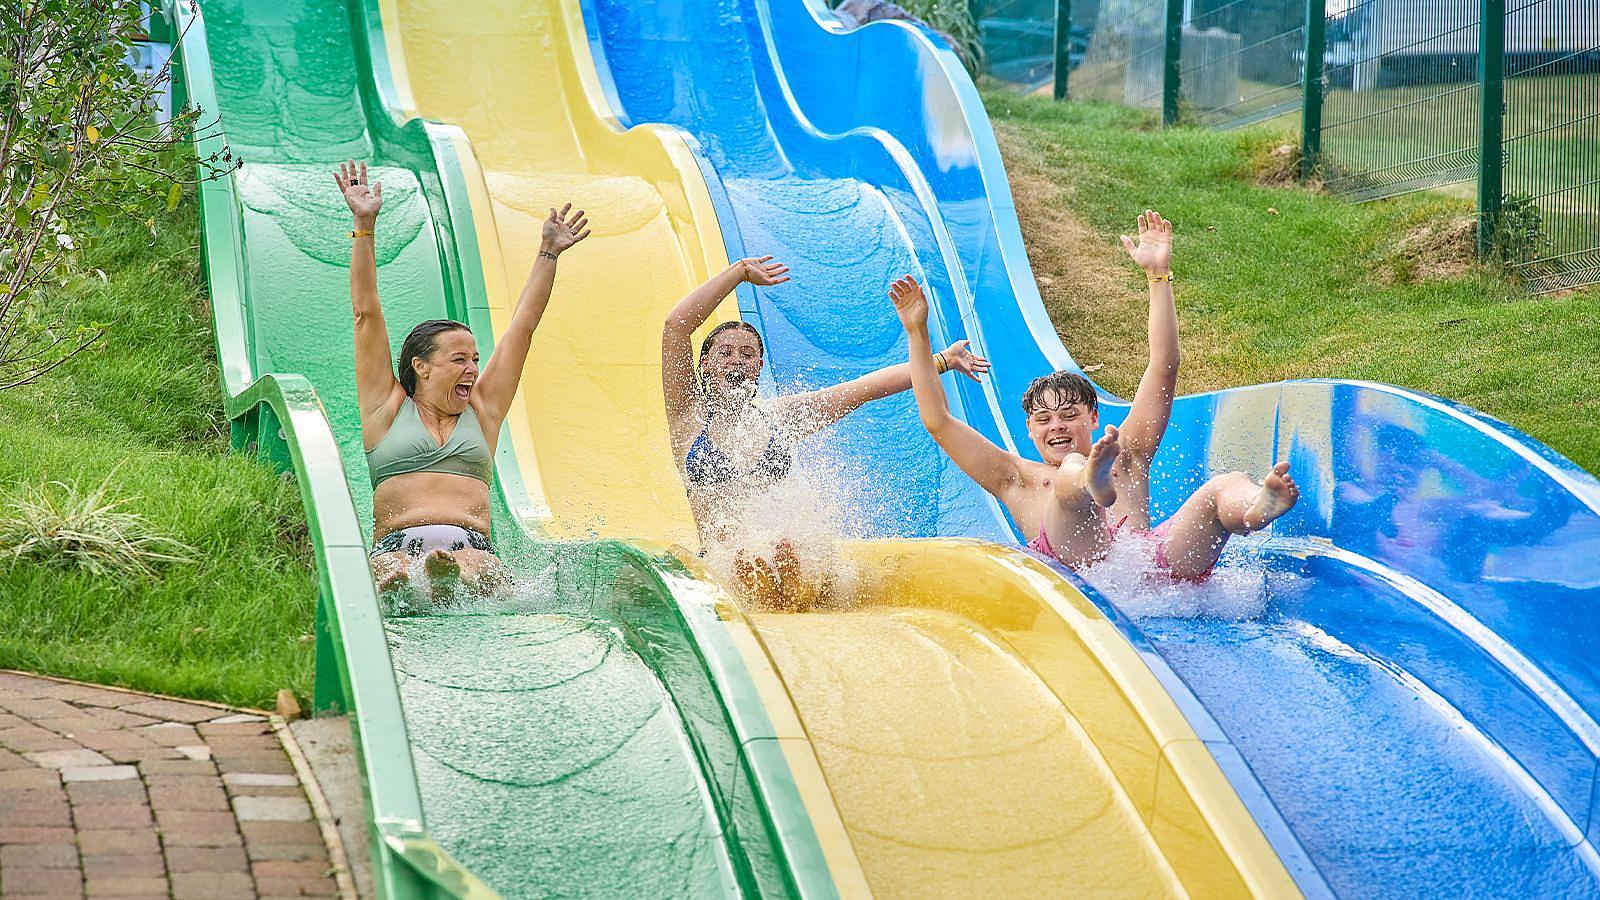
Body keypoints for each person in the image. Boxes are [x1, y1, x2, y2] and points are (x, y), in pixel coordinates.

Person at [889, 210, 1298, 581]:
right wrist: (917, 333)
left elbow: (1164, 365)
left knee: (1224, 485)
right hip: (1079, 577)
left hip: (1150, 568)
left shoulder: (1129, 451)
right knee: (1070, 470)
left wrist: (1158, 278)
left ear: (1092, 417)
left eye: (1068, 414)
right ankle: (1088, 484)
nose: (1057, 426)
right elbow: (937, 420)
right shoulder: (1015, 478)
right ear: (1029, 430)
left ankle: (1255, 508)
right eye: (1044, 420)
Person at [663, 256, 989, 607]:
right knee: (743, 557)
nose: (736, 361)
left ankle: (793, 583)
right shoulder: (689, 419)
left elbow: (864, 388)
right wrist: (739, 272)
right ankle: (767, 580)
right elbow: (676, 326)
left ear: (759, 366)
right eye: (725, 353)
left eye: (747, 354)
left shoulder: (780, 418)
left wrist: (940, 361)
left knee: (788, 548)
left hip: (781, 561)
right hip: (721, 567)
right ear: (706, 364)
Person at [335, 159, 590, 599]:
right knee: (387, 570)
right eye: (459, 360)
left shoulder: (482, 410)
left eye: (474, 358)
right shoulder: (386, 408)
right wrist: (364, 226)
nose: (473, 368)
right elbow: (365, 315)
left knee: (480, 568)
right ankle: (415, 582)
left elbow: (522, 330)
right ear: (421, 366)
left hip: (471, 544)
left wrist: (548, 253)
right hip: (395, 544)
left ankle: (448, 579)